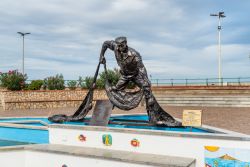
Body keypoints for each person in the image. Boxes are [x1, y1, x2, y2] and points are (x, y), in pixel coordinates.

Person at [99, 36, 180, 126]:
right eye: (118, 45)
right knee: (114, 90)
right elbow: (105, 44)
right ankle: (107, 111)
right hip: (124, 75)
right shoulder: (115, 46)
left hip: (135, 75)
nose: (119, 48)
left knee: (147, 91)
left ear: (126, 44)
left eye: (121, 45)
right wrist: (101, 56)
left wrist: (145, 80)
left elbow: (141, 68)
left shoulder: (134, 54)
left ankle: (154, 117)